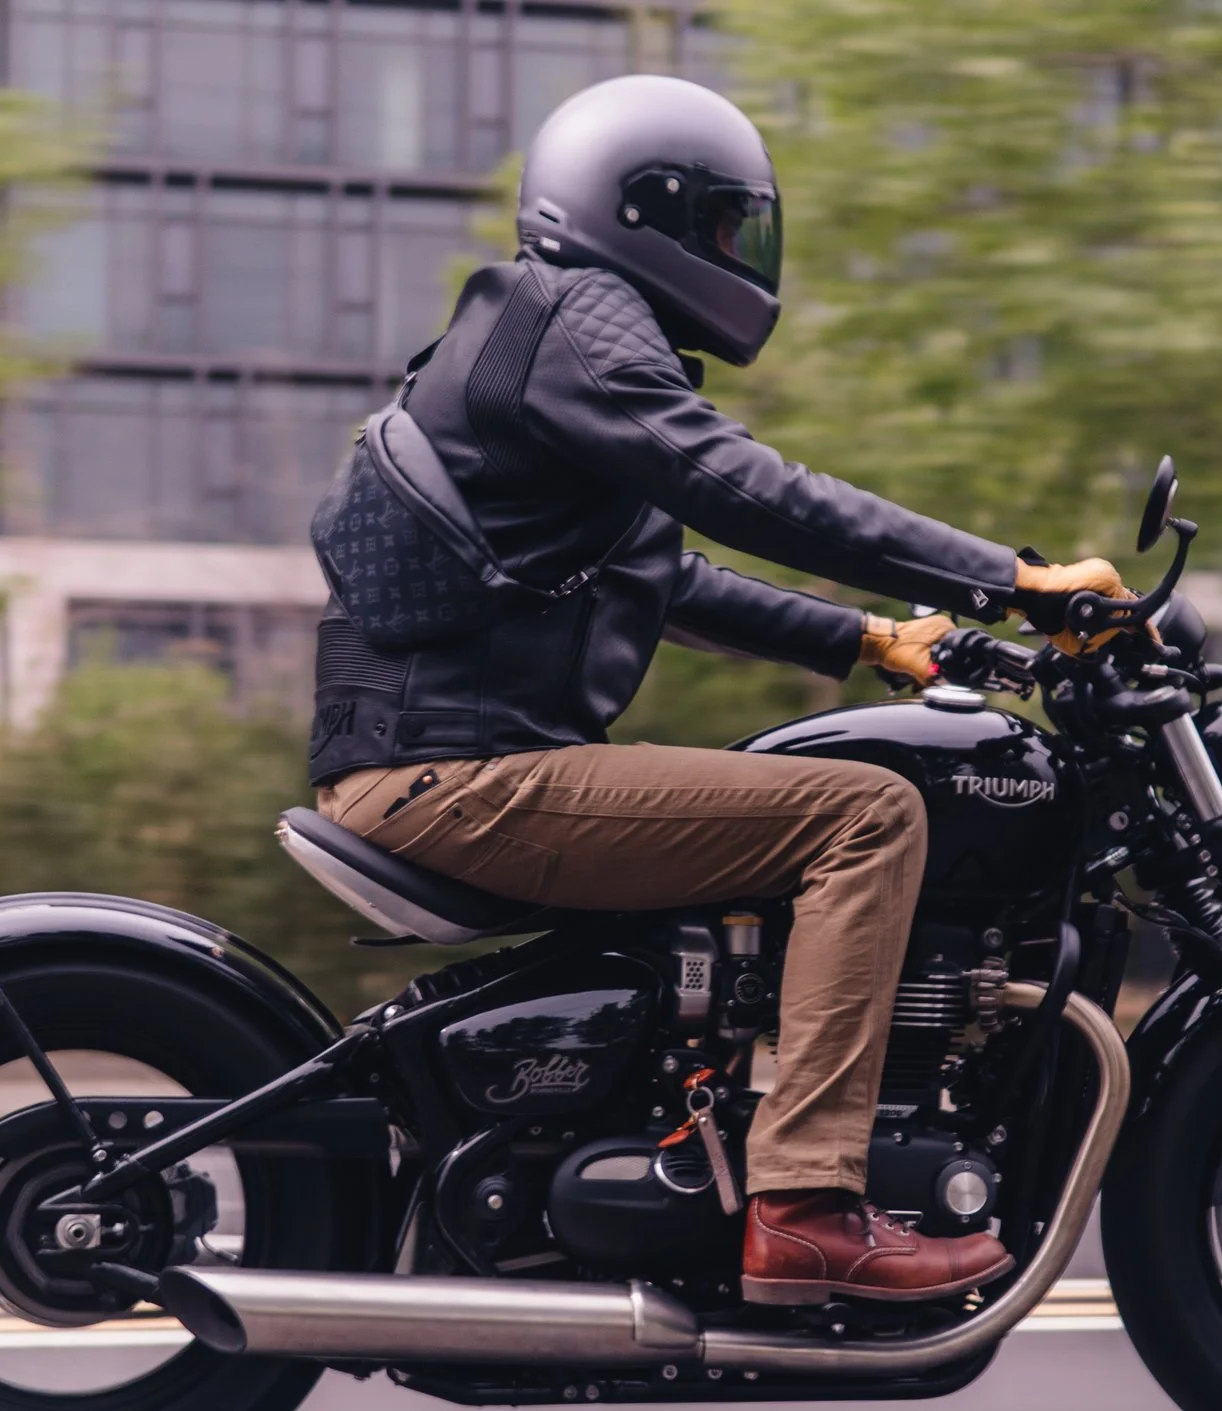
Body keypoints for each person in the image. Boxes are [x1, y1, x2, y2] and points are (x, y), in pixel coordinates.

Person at [310, 75, 1125, 1307]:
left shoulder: (541, 324)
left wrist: (870, 639)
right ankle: (804, 1204)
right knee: (867, 813)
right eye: (726, 228)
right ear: (647, 212)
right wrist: (1009, 580)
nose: (740, 256)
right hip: (462, 775)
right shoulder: (581, 321)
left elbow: (661, 573)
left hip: (438, 760)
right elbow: (736, 483)